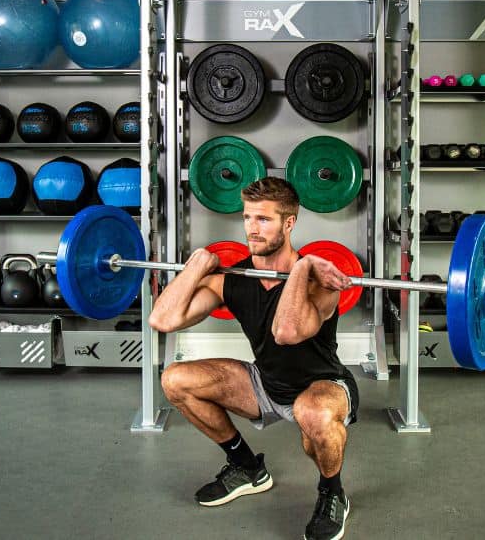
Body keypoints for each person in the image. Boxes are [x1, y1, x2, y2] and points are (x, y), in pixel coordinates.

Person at [149, 177, 359, 540]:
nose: (251, 229)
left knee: (315, 417)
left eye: (263, 219)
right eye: (247, 218)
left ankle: (332, 492)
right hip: (265, 385)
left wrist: (303, 267)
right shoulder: (234, 277)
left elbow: (287, 332)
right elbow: (161, 320)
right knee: (175, 380)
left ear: (289, 223)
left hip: (322, 387)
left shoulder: (322, 282)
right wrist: (196, 266)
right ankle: (247, 468)